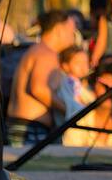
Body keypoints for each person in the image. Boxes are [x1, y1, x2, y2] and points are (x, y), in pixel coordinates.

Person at [7, 10, 77, 145]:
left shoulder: (39, 50)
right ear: (58, 30)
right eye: (71, 31)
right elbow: (38, 89)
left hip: (23, 126)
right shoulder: (46, 53)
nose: (73, 36)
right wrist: (70, 110)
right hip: (29, 129)